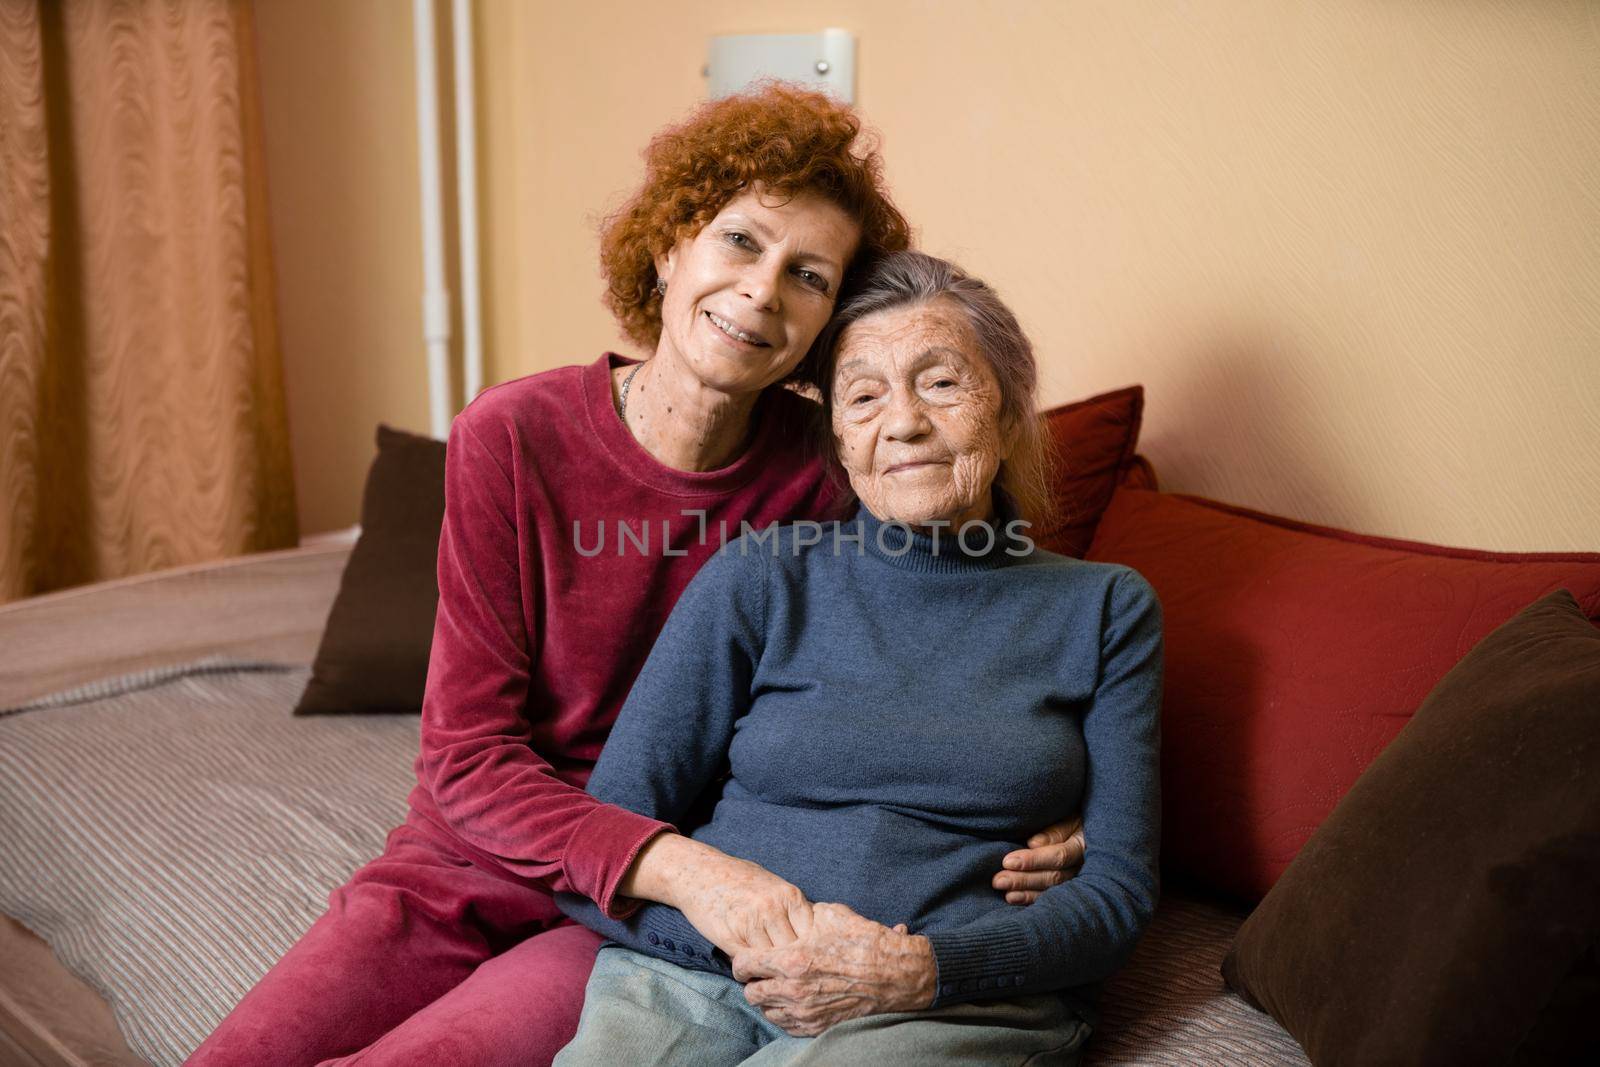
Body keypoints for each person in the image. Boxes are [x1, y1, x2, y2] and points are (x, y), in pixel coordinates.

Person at [186, 88, 1085, 1067]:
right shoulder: (512, 434)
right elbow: (464, 758)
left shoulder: (832, 467)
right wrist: (696, 871)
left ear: (827, 324)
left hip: (634, 914)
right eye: (739, 241)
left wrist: (1066, 799)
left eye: (808, 276)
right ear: (669, 247)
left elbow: (968, 614)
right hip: (469, 862)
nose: (760, 290)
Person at [552, 251, 1164, 1066]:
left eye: (941, 383)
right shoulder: (761, 574)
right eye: (864, 395)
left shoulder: (1106, 607)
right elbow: (596, 845)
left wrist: (918, 971)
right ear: (839, 439)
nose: (902, 421)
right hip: (697, 976)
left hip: (948, 999)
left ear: (1011, 411)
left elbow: (1118, 896)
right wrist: (751, 949)